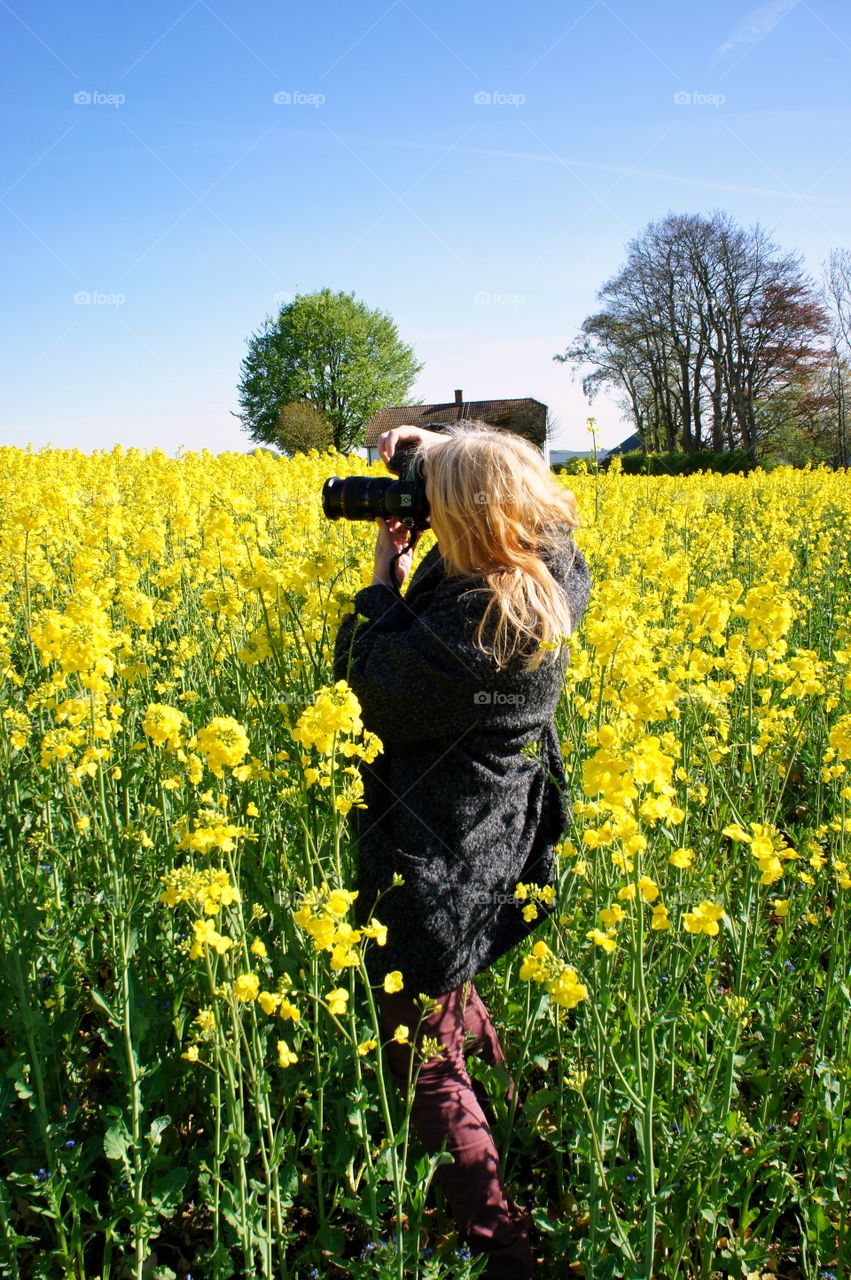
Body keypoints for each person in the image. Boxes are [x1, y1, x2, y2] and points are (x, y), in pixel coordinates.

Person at [332, 420, 592, 1279]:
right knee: (455, 975)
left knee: (420, 1058)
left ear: (467, 519)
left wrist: (382, 580)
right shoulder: (547, 575)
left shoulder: (478, 622)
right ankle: (512, 1111)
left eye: (436, 496)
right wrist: (444, 446)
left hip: (435, 852)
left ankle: (503, 1251)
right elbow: (539, 514)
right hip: (496, 840)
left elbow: (368, 687)